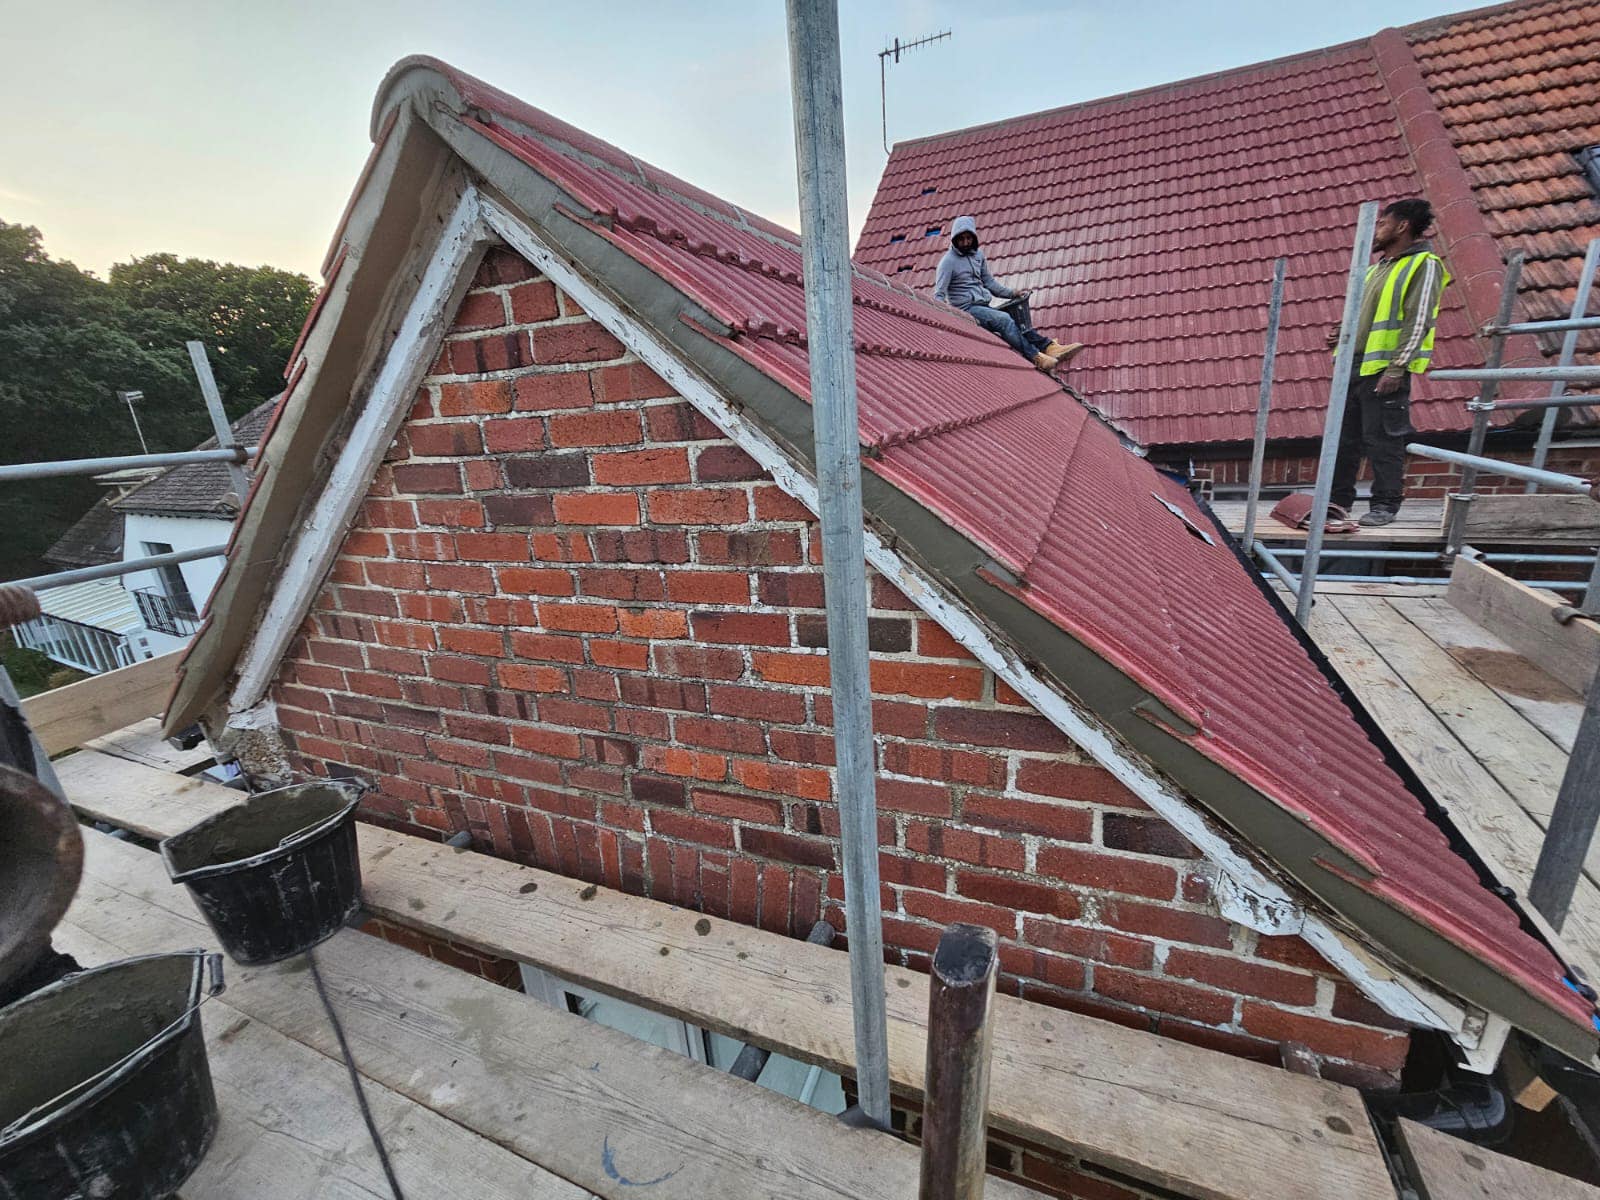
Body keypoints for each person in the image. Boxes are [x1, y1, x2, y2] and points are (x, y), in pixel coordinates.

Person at [1325, 199, 1451, 528]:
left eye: (1382, 224)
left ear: (1402, 226)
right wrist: (1340, 333)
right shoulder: (1375, 269)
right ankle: (1337, 501)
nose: (1376, 231)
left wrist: (1398, 367)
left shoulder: (1425, 264)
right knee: (1343, 440)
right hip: (1352, 365)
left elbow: (1419, 319)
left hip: (1384, 369)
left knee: (1382, 439)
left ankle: (1385, 503)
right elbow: (1361, 314)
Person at [934, 216, 1084, 372]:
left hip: (984, 306)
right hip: (966, 310)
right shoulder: (947, 263)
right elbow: (939, 293)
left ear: (973, 237)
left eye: (968, 238)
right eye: (961, 239)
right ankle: (1036, 357)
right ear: (954, 239)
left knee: (1017, 316)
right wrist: (944, 319)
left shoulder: (978, 255)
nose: (965, 243)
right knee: (1004, 320)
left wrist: (1013, 293)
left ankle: (1049, 347)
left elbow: (990, 283)